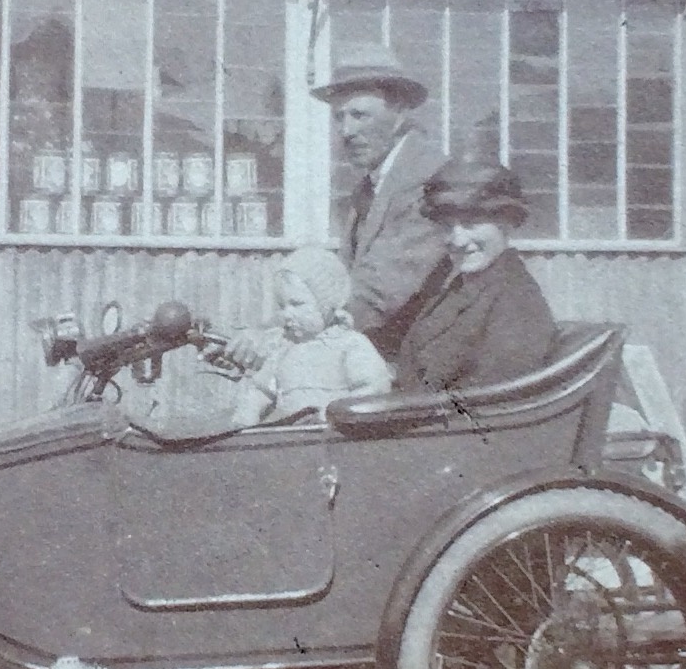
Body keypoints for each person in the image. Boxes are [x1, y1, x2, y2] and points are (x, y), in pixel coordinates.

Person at [310, 42, 449, 361]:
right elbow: (342, 281)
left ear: (399, 112)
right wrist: (275, 327)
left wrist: (289, 334)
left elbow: (379, 292)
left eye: (359, 115)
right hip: (375, 351)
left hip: (424, 366)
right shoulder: (369, 187)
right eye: (339, 117)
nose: (346, 131)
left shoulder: (429, 178)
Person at [395, 160, 556, 394]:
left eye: (471, 223)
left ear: (507, 221)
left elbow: (496, 401)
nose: (457, 240)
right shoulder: (459, 289)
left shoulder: (516, 301)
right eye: (447, 226)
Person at [231, 247, 392, 428]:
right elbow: (260, 391)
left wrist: (333, 414)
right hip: (292, 441)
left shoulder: (350, 346)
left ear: (327, 305)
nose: (286, 314)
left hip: (339, 439)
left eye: (296, 304)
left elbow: (374, 389)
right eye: (282, 306)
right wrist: (244, 419)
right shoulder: (284, 349)